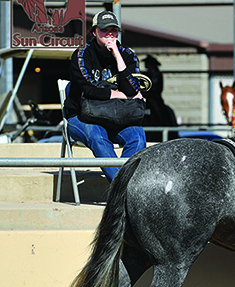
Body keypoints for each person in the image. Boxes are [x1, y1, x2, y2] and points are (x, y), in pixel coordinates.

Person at [66, 10, 147, 182]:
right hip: (83, 117)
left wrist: (117, 55)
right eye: (104, 30)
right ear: (94, 32)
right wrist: (120, 94)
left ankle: (122, 188)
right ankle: (122, 189)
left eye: (114, 30)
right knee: (98, 137)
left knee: (138, 137)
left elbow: (132, 90)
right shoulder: (82, 55)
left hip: (119, 117)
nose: (110, 34)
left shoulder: (128, 55)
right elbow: (89, 90)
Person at [142, 54, 179, 142]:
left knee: (159, 108)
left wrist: (149, 92)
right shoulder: (146, 74)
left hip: (154, 96)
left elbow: (157, 88)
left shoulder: (157, 74)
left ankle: (162, 120)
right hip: (145, 96)